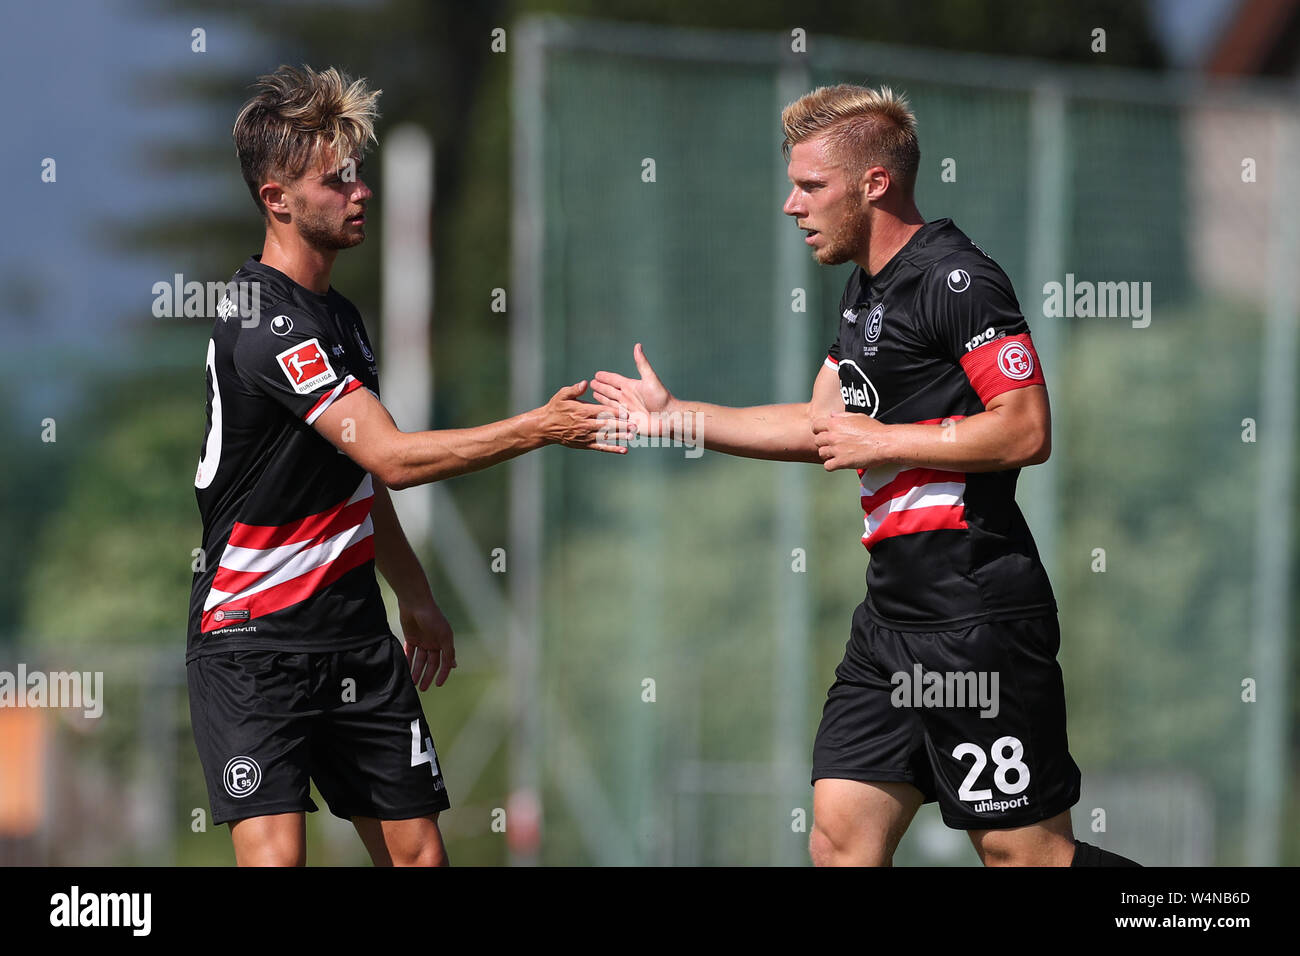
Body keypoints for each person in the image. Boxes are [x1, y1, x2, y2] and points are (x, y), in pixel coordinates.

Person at [592, 84, 1136, 867]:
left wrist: (888, 440)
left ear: (873, 183)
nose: (792, 205)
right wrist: (672, 416)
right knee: (841, 841)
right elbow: (822, 429)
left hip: (974, 624)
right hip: (889, 626)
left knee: (1026, 855)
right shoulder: (863, 291)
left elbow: (1025, 427)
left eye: (810, 186)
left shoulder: (957, 280)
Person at [188, 64, 628, 866]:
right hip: (253, 640)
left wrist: (415, 598)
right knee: (276, 859)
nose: (359, 192)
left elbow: (356, 478)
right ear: (275, 198)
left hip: (354, 638)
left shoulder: (341, 318)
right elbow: (391, 457)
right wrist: (539, 425)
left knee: (421, 855)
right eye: (335, 181)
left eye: (358, 175)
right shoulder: (263, 320)